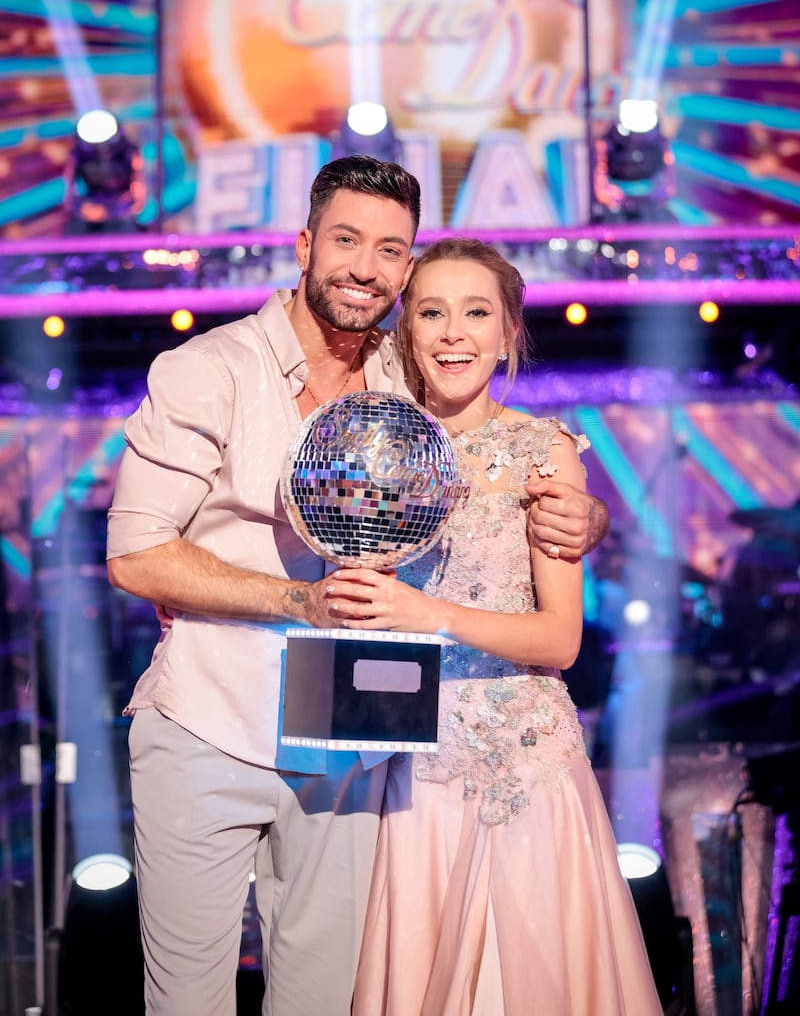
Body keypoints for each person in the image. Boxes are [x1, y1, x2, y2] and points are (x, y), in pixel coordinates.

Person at [106, 156, 608, 1016]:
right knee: (188, 1001)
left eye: (389, 249)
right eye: (345, 240)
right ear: (304, 244)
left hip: (347, 738)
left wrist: (582, 520)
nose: (364, 267)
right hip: (209, 720)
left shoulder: (403, 375)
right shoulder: (207, 369)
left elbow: (494, 455)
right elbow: (135, 555)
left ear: (406, 269)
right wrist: (298, 600)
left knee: (322, 999)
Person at [325, 237, 661, 1016]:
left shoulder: (543, 452)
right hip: (410, 768)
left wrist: (426, 614)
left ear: (509, 332)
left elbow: (560, 639)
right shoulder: (373, 450)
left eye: (477, 312)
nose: (453, 332)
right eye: (432, 312)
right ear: (404, 330)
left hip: (522, 767)